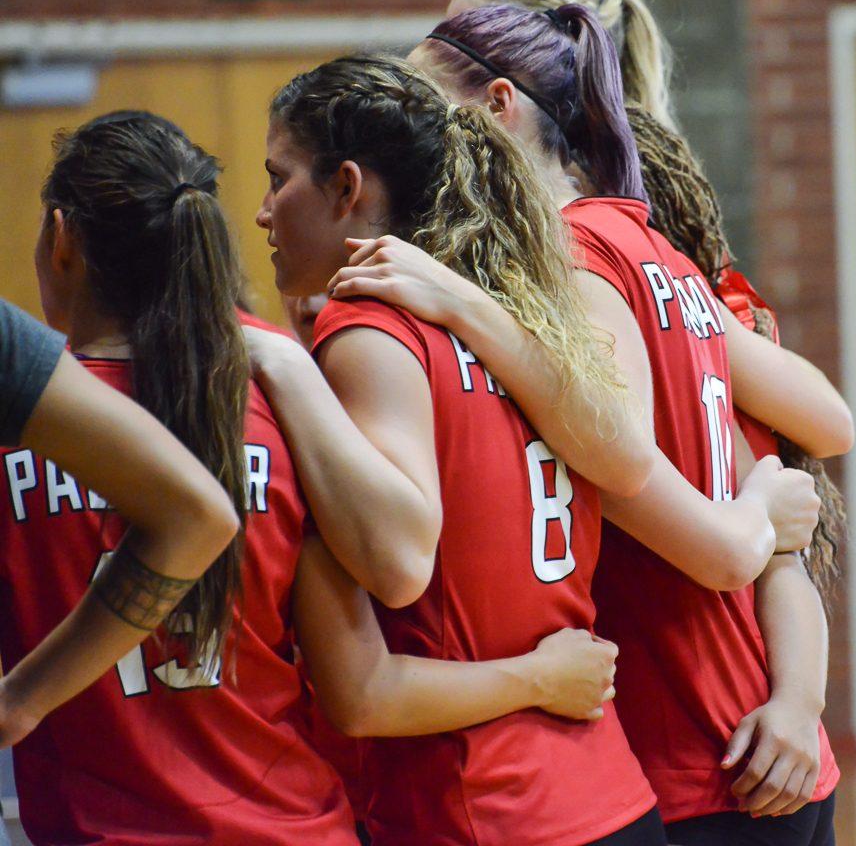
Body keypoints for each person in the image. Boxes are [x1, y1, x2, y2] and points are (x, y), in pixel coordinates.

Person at [0, 110, 614, 845]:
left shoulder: (17, 443)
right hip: (298, 826)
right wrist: (540, 677)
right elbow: (364, 683)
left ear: (61, 238)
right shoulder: (287, 415)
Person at [329, 0, 846, 845]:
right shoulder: (657, 254)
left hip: (706, 768)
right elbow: (823, 426)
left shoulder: (572, 263)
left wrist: (758, 520)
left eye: (425, 103)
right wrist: (767, 517)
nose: (412, 134)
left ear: (498, 106)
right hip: (757, 749)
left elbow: (630, 458)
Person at [253, 52, 693, 846]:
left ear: (347, 187)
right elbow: (629, 458)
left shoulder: (369, 333)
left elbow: (385, 604)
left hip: (479, 808)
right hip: (610, 796)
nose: (261, 211)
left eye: (276, 177)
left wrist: (281, 364)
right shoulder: (515, 320)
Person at [0, 299, 239, 748]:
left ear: (62, 244)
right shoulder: (265, 393)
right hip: (281, 798)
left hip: (86, 803)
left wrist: (19, 701)